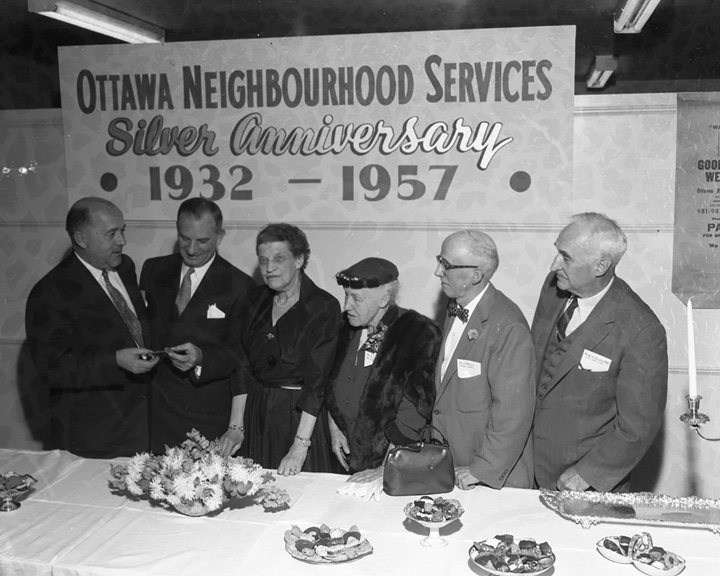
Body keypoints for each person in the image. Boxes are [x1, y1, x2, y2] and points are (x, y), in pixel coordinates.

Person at [531, 212, 668, 493]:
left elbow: (637, 427)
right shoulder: (554, 289)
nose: (553, 264)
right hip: (528, 470)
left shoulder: (641, 329)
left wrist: (586, 475)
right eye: (557, 252)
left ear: (600, 266)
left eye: (566, 258)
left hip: (581, 483)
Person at [25, 197, 158, 458]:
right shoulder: (49, 293)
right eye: (111, 234)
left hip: (142, 429)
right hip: (94, 440)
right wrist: (116, 361)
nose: (122, 241)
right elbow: (54, 370)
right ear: (81, 239)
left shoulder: (125, 267)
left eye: (123, 230)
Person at [218, 223, 341, 475]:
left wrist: (300, 445)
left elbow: (318, 382)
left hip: (301, 418)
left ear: (299, 259)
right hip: (257, 413)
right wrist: (235, 427)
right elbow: (241, 367)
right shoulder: (251, 301)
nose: (269, 268)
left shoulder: (323, 306)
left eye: (279, 259)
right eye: (263, 261)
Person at [140, 198, 254, 453]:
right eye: (184, 238)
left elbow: (241, 355)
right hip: (157, 410)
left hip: (206, 412)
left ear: (220, 236)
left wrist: (203, 357)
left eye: (202, 241)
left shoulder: (240, 285)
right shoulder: (153, 270)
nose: (191, 249)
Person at [433, 230, 535, 489]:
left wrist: (482, 469)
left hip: (487, 477)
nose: (437, 272)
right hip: (453, 467)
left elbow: (514, 414)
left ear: (475, 275)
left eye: (445, 265)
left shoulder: (508, 326)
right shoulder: (456, 308)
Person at [325, 257, 442, 473]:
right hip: (346, 457)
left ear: (383, 299)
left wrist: (390, 463)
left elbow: (416, 407)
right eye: (346, 296)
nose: (346, 305)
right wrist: (334, 428)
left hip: (392, 461)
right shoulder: (344, 326)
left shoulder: (418, 332)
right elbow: (328, 381)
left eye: (356, 299)